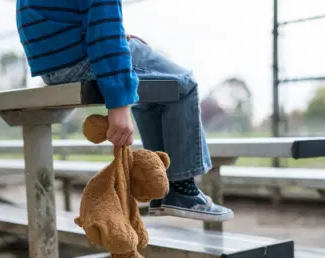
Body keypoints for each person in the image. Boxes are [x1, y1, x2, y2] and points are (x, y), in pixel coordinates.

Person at [16, 0, 234, 222]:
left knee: (153, 90)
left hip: (51, 64)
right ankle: (181, 189)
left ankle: (162, 185)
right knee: (183, 84)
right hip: (82, 56)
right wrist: (118, 104)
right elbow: (104, 26)